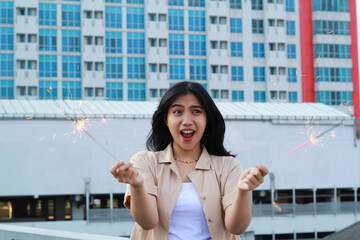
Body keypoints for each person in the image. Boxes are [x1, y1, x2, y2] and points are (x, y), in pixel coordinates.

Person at [110, 81, 268, 240]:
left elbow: (237, 227)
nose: (186, 120)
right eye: (177, 111)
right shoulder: (145, 162)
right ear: (166, 119)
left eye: (196, 111)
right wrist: (137, 187)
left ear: (207, 118)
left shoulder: (228, 166)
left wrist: (242, 192)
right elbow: (148, 222)